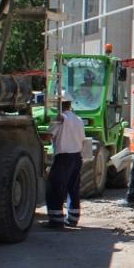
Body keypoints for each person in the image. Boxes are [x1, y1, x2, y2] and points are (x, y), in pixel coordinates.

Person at [46, 93, 87, 228]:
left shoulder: (60, 118)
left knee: (56, 188)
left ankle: (56, 220)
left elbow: (49, 135)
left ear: (59, 104)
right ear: (70, 104)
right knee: (73, 189)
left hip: (63, 158)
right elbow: (82, 139)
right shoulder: (78, 119)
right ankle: (73, 219)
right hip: (76, 157)